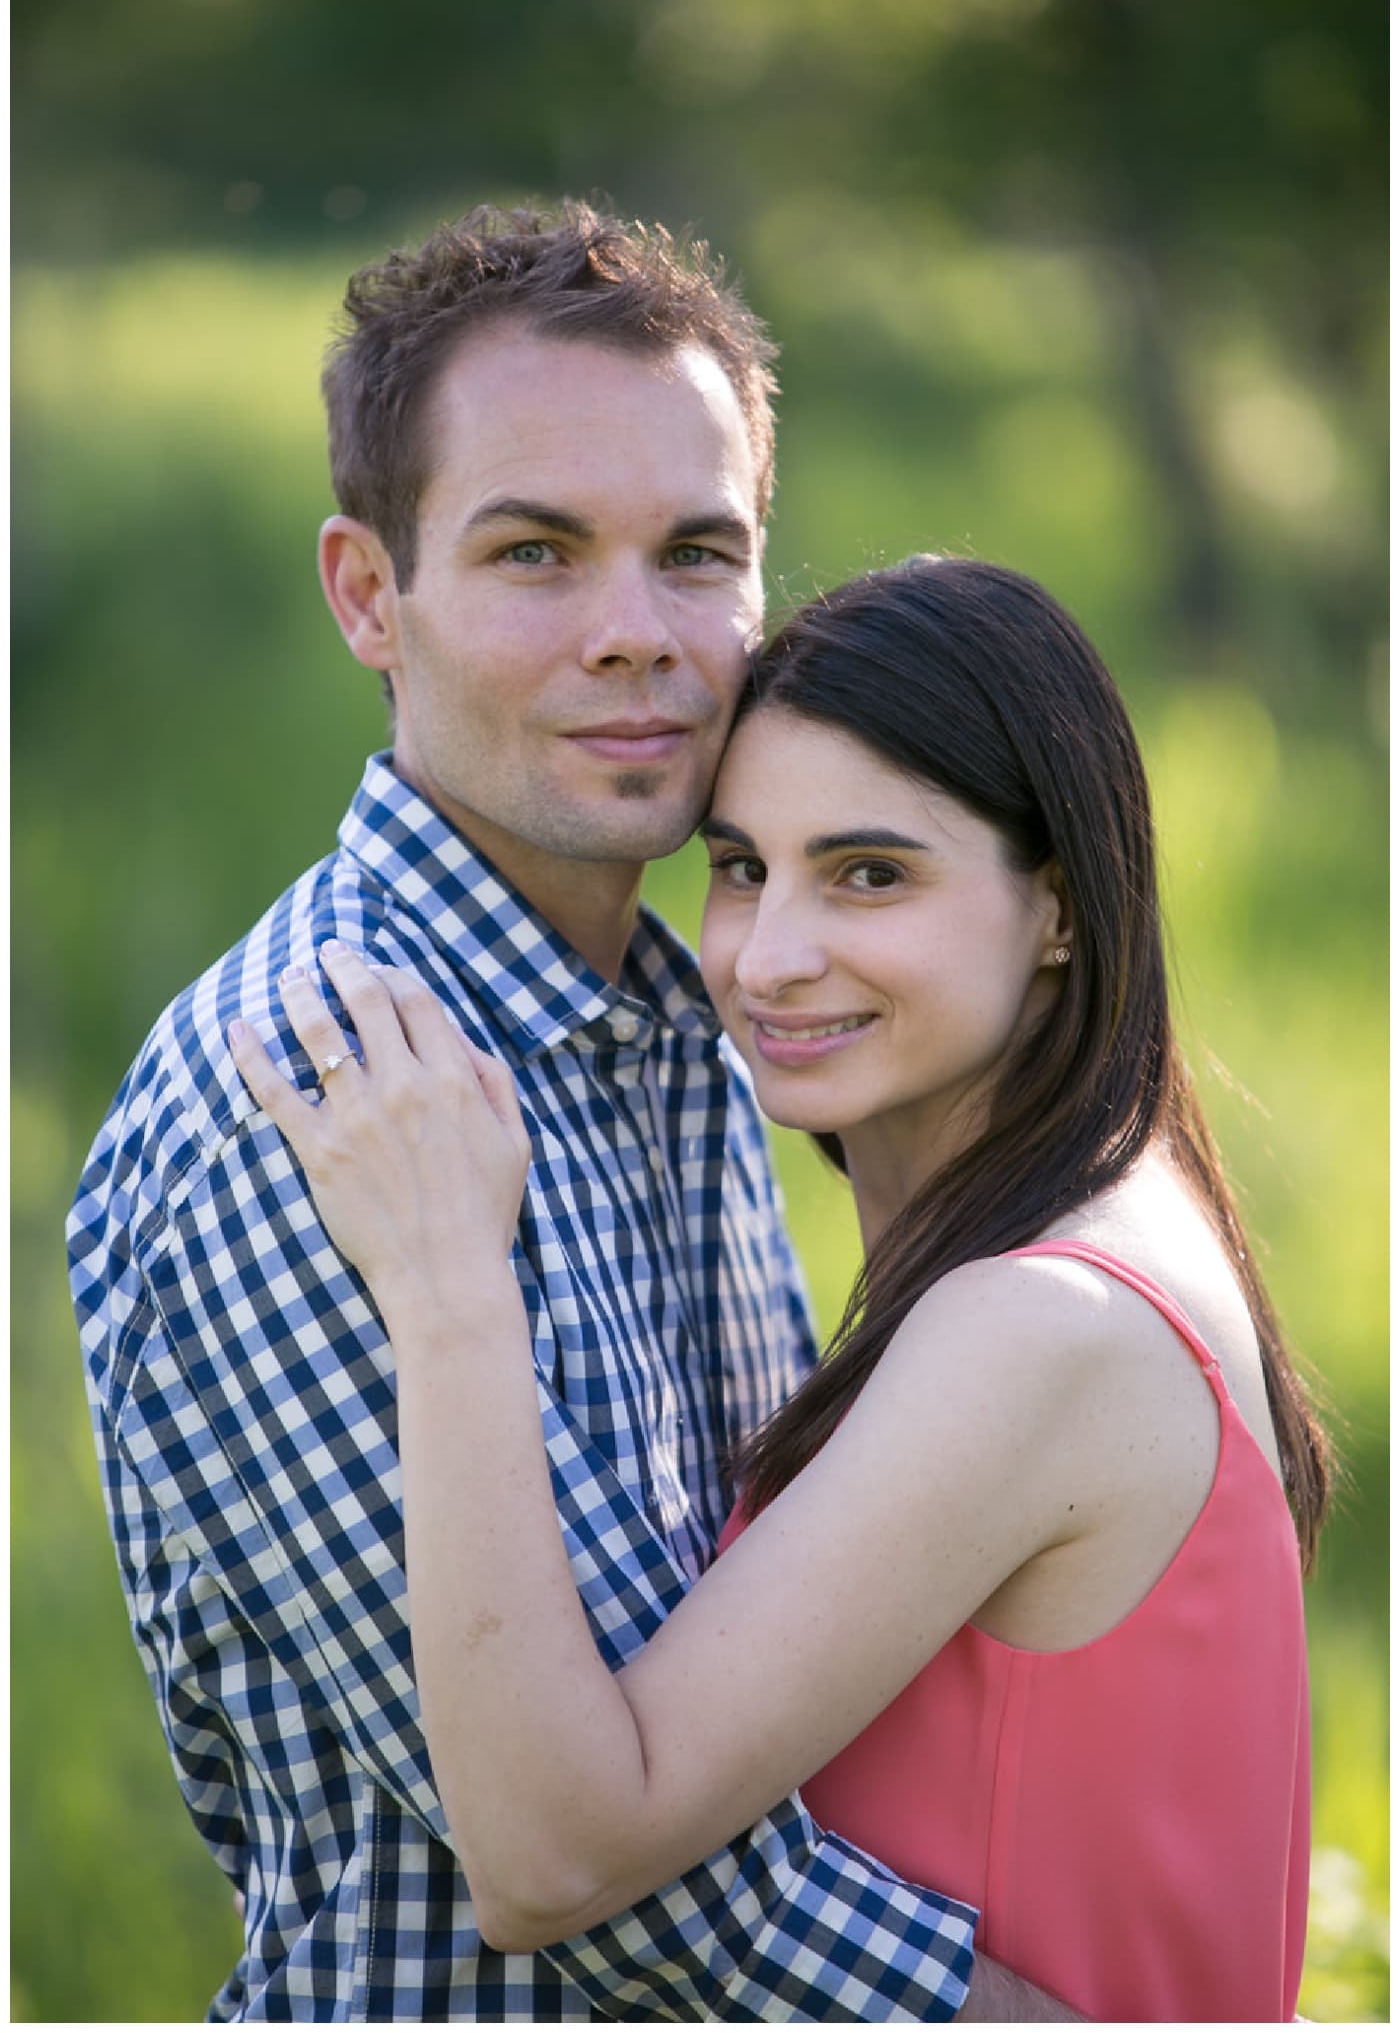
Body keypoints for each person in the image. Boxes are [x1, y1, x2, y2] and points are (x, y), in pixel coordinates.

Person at [68, 203, 1064, 2020]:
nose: (638, 638)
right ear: (372, 595)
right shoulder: (312, 1094)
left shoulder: (689, 1010)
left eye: (697, 553)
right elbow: (645, 1901)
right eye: (536, 554)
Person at [229, 555, 1329, 2023]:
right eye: (743, 868)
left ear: (1058, 908)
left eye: (871, 872)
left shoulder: (1044, 1325)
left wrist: (447, 1287)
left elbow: (551, 1857)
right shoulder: (1112, 1214)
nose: (772, 958)